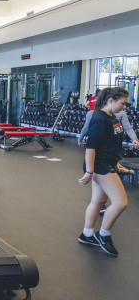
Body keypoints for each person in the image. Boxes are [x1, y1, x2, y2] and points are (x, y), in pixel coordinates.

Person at [77, 87, 130, 256]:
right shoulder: (100, 119)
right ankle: (103, 234)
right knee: (121, 203)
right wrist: (90, 171)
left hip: (107, 163)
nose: (125, 107)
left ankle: (86, 234)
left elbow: (110, 143)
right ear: (111, 101)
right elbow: (90, 148)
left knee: (98, 202)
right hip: (100, 166)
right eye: (123, 103)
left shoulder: (111, 116)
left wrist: (116, 163)